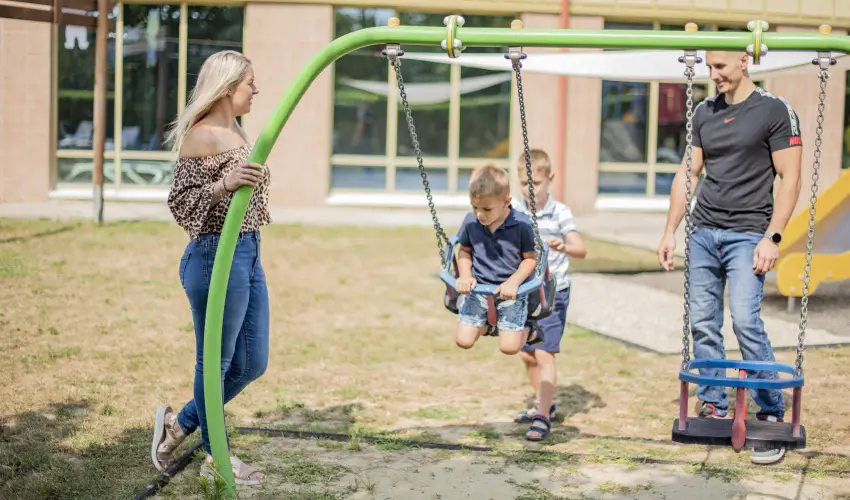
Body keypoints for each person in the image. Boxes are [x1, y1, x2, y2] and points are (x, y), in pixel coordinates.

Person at [657, 50, 803, 465]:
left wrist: (773, 237)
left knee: (745, 320)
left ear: (744, 61)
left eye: (719, 66)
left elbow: (790, 177)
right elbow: (688, 174)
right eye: (708, 67)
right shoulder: (704, 112)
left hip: (748, 234)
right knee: (703, 322)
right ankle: (714, 402)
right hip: (704, 232)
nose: (713, 74)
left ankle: (771, 407)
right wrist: (670, 230)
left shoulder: (775, 110)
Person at [150, 50, 269, 485]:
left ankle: (179, 424)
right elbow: (180, 204)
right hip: (214, 254)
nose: (256, 90)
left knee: (252, 362)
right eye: (250, 82)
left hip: (249, 251)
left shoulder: (237, 130)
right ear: (227, 87)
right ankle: (218, 457)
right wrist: (224, 184)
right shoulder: (201, 136)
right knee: (215, 363)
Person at [510, 149, 586, 442]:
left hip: (553, 293)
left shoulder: (560, 212)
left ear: (550, 179)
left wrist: (564, 247)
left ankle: (541, 416)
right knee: (526, 354)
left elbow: (581, 249)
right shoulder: (514, 210)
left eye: (536, 183)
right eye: (524, 184)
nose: (530, 190)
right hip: (525, 294)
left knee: (544, 353)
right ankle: (546, 405)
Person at [455, 164, 543, 356]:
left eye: (487, 209)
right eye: (475, 207)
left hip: (511, 291)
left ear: (506, 201)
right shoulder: (471, 222)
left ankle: (529, 329)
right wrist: (465, 275)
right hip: (478, 288)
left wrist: (514, 282)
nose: (480, 214)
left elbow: (530, 260)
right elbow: (464, 251)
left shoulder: (522, 225)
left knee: (509, 348)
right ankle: (490, 326)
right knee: (463, 341)